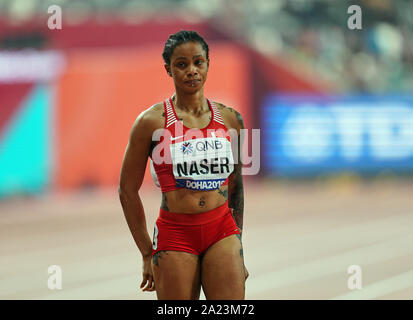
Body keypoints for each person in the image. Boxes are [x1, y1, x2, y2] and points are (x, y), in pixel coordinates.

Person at [118, 30, 248, 300]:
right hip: (176, 235)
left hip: (222, 231)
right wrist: (146, 252)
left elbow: (236, 185)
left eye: (198, 62)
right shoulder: (150, 123)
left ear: (208, 64)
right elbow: (127, 191)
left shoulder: (231, 119)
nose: (192, 70)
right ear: (168, 69)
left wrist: (238, 241)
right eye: (182, 64)